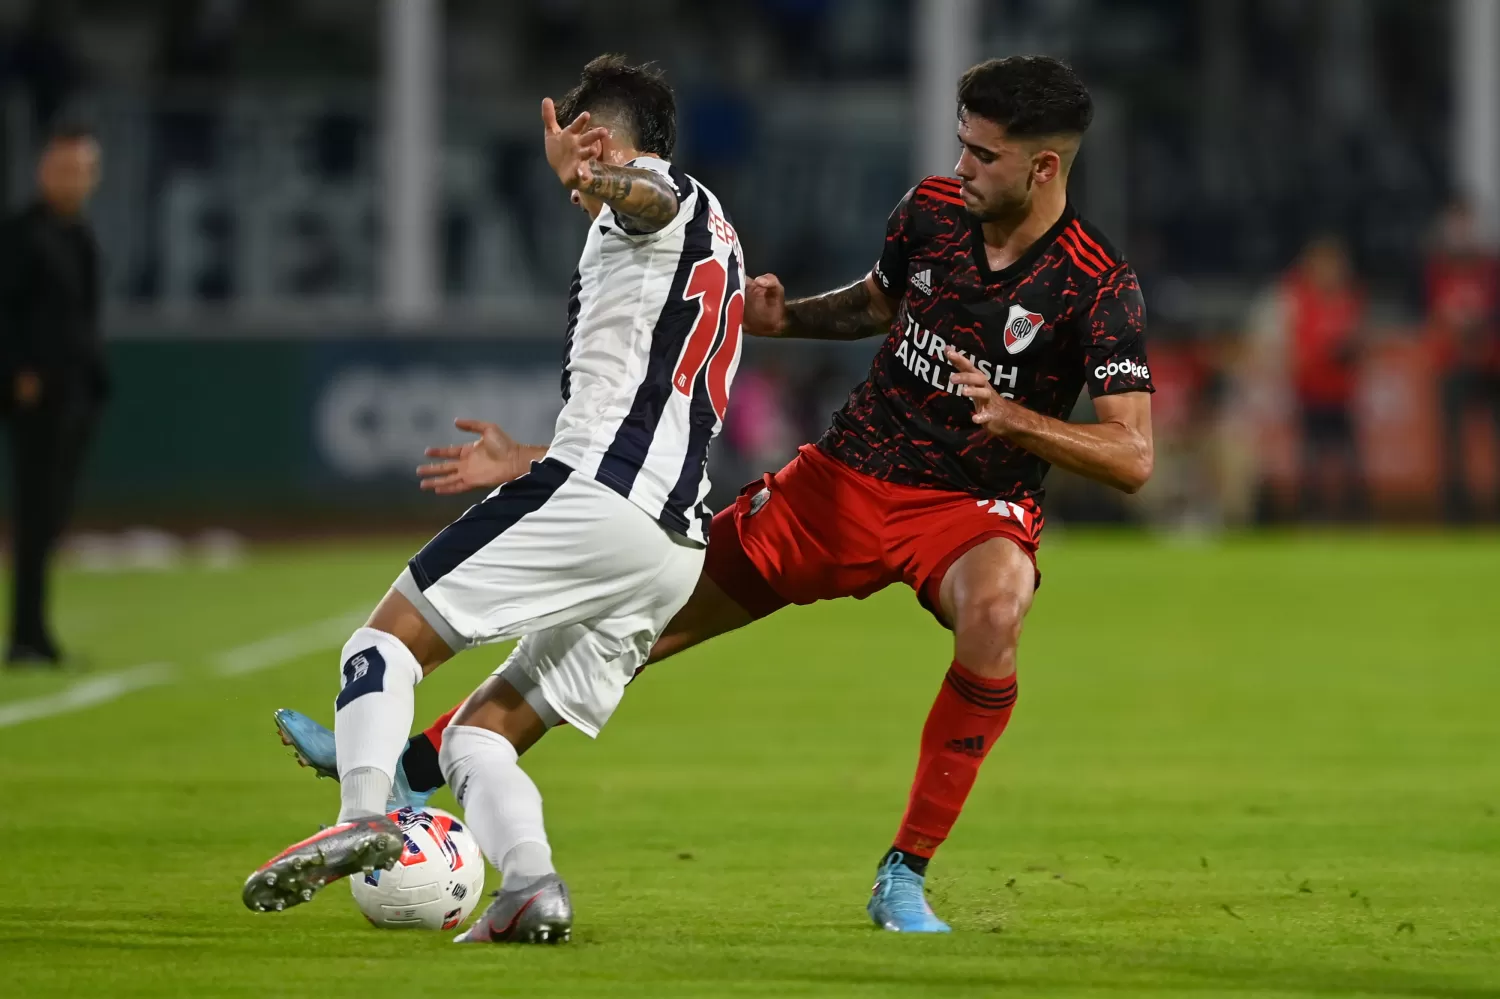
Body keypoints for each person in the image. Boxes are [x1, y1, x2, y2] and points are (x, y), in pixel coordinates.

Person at [276, 55, 1155, 934]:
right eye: (961, 145)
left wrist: (1018, 419)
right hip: (841, 477)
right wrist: (789, 316)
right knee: (629, 632)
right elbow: (881, 304)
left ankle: (904, 872)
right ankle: (420, 766)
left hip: (969, 508)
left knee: (997, 611)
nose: (962, 167)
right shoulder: (931, 211)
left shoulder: (1096, 283)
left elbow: (1133, 455)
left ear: (1044, 167)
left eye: (984, 155)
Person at [242, 56, 748, 946]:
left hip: (602, 498)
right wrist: (528, 456)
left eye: (579, 144)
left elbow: (647, 196)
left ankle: (367, 814)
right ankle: (529, 888)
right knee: (479, 739)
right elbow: (651, 395)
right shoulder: (720, 238)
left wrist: (597, 176)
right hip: (669, 548)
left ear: (598, 135)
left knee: (383, 644)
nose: (570, 181)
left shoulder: (655, 199)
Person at [0, 125, 105, 666]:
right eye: (64, 168)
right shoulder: (22, 234)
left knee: (52, 516)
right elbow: (9, 310)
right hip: (36, 397)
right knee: (35, 516)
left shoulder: (80, 235)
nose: (73, 179)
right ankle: (26, 636)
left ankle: (35, 633)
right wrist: (19, 371)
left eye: (82, 170)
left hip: (75, 394)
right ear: (44, 171)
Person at [1425, 200, 1500, 521]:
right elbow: (1431, 313)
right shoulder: (1435, 267)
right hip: (1451, 362)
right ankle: (1456, 511)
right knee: (1452, 440)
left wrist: (1481, 326)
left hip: (1489, 362)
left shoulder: (1490, 268)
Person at [1284, 235, 1365, 520]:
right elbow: (1301, 346)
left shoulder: (1348, 298)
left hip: (1341, 392)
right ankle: (1311, 514)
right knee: (1312, 460)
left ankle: (1355, 516)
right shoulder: (1301, 298)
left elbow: (1357, 339)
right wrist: (1330, 350)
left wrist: (1344, 349)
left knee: (1350, 460)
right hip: (1312, 391)